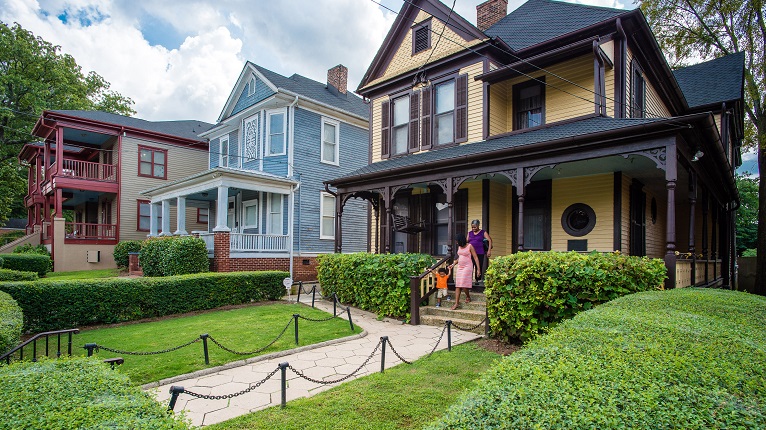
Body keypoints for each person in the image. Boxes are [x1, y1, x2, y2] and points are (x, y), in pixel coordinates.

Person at [449, 233, 479, 310]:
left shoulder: (470, 246)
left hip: (467, 267)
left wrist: (478, 269)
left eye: (457, 241)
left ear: (461, 240)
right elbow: (460, 257)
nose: (456, 242)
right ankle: (456, 303)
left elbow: (475, 258)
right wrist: (453, 264)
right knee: (458, 285)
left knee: (463, 285)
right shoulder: (459, 247)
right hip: (460, 267)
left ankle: (468, 296)